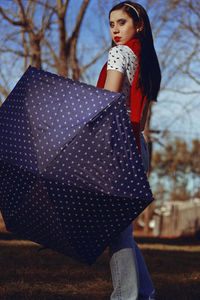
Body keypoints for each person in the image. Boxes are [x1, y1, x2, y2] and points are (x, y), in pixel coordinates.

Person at [97, 1, 161, 299]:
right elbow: (143, 121)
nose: (115, 30)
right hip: (138, 147)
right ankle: (145, 292)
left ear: (139, 26)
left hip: (117, 148)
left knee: (116, 231)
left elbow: (105, 102)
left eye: (121, 22)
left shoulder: (119, 54)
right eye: (111, 24)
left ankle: (126, 297)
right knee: (122, 229)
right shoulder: (148, 62)